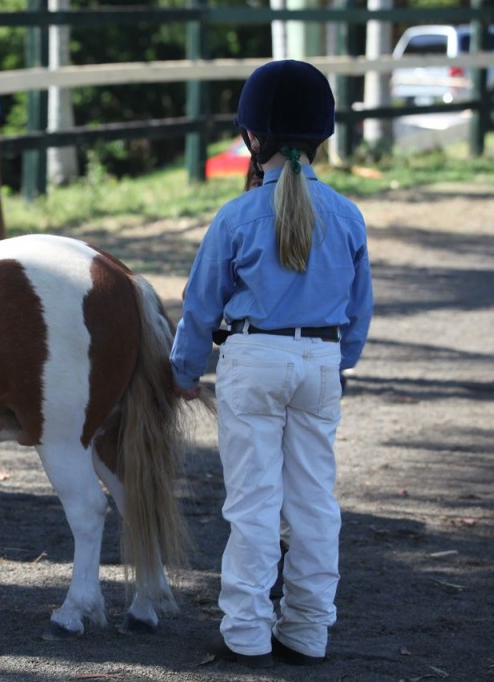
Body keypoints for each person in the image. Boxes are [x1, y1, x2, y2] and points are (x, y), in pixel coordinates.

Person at [170, 60, 373, 669]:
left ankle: (247, 632)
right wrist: (339, 363)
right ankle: (308, 631)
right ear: (321, 137)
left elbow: (200, 304)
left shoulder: (235, 216)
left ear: (252, 138)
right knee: (314, 502)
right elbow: (358, 312)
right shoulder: (347, 214)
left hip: (253, 356)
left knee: (253, 503)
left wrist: (184, 372)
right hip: (320, 357)